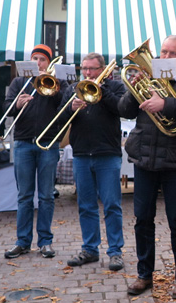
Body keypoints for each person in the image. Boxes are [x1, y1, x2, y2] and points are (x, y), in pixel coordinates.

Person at [118, 35, 176, 300]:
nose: (165, 56)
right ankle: (144, 274)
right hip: (144, 158)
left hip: (175, 159)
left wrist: (165, 103)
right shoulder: (148, 73)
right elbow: (125, 110)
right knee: (142, 220)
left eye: (172, 53)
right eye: (163, 51)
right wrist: (133, 91)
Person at [61, 53, 126, 271]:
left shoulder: (115, 87)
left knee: (112, 205)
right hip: (81, 154)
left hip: (107, 154)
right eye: (85, 69)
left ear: (103, 70)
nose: (88, 73)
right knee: (86, 206)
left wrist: (102, 91)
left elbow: (121, 108)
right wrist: (70, 108)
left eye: (92, 69)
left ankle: (115, 252)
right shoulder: (73, 89)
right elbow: (59, 117)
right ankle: (90, 249)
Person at [3, 44, 68, 259]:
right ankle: (22, 242)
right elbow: (6, 109)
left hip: (47, 144)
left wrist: (55, 88)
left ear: (48, 63)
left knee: (46, 196)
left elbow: (65, 107)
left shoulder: (56, 81)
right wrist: (16, 105)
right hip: (23, 143)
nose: (38, 63)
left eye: (42, 59)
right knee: (24, 196)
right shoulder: (19, 82)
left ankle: (45, 242)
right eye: (35, 59)